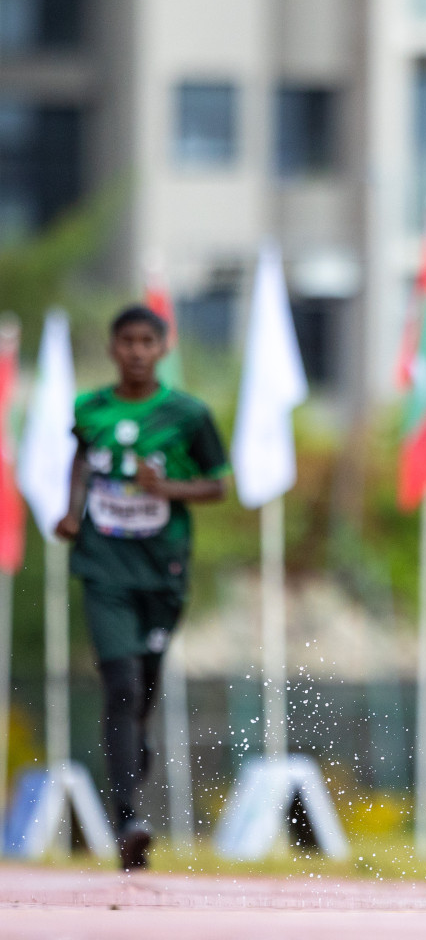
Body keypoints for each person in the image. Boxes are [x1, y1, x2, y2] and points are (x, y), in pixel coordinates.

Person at [54, 305, 228, 871]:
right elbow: (83, 458)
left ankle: (134, 759)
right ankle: (128, 816)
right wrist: (72, 510)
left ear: (162, 349)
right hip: (103, 565)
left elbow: (218, 488)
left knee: (143, 688)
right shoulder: (90, 409)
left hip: (162, 568)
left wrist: (167, 486)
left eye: (146, 342)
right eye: (125, 341)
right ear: (111, 348)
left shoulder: (187, 414)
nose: (135, 351)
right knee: (121, 685)